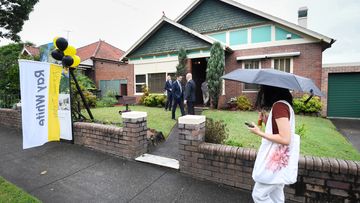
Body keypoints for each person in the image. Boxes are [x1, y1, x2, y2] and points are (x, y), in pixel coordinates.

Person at [248, 85, 300, 203]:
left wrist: (259, 133)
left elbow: (285, 138)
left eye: (263, 90)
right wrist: (267, 121)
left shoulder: (279, 107)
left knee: (259, 195)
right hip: (280, 162)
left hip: (275, 161)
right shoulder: (284, 105)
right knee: (277, 195)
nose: (262, 93)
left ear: (270, 91)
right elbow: (279, 131)